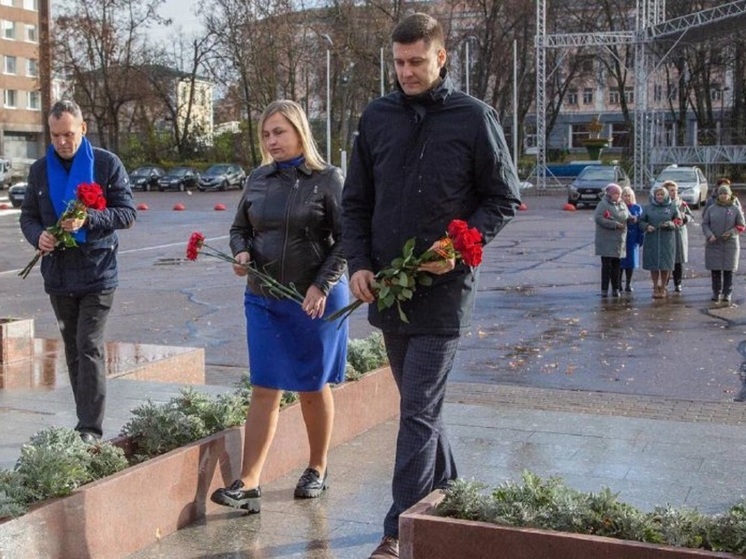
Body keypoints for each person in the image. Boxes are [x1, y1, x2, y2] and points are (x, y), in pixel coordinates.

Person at [341, 13, 521, 559]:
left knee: (417, 408)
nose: (407, 72)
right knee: (422, 407)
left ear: (442, 57)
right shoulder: (376, 118)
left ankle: (399, 530)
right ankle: (453, 492)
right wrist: (359, 265)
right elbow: (356, 204)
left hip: (444, 293)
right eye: (399, 63)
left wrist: (460, 247)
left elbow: (503, 198)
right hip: (388, 292)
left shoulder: (473, 117)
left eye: (417, 61)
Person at [210, 100, 348, 513]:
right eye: (266, 134)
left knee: (310, 385)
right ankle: (248, 482)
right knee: (264, 386)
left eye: (280, 132)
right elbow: (239, 228)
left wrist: (321, 285)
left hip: (313, 300)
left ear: (300, 132)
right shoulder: (258, 177)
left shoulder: (327, 179)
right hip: (263, 297)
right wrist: (241, 254)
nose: (272, 141)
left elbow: (347, 239)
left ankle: (317, 468)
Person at [19, 99, 136, 443]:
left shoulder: (105, 164)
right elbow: (28, 216)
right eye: (55, 136)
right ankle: (83, 418)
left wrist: (90, 219)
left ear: (83, 129)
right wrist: (37, 236)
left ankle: (90, 428)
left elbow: (126, 213)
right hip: (58, 277)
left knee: (88, 345)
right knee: (72, 349)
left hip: (98, 273)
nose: (62, 142)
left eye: (68, 134)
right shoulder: (40, 170)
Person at [702, 182, 745, 304]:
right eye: (721, 193)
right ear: (717, 195)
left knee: (728, 270)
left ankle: (727, 293)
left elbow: (741, 225)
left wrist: (731, 233)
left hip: (730, 244)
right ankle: (716, 292)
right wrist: (709, 235)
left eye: (725, 193)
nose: (723, 196)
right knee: (715, 270)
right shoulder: (711, 209)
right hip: (714, 244)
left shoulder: (735, 209)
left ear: (729, 195)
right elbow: (705, 224)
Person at [639, 184, 680, 299]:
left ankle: (663, 287)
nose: (660, 196)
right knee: (654, 264)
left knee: (665, 264)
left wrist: (670, 224)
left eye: (662, 194)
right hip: (652, 239)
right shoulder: (648, 207)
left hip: (667, 239)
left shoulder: (672, 206)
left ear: (666, 195)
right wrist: (647, 227)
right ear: (654, 196)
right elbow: (640, 221)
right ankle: (655, 286)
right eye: (658, 194)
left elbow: (678, 221)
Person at [594, 183, 628, 298]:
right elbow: (598, 218)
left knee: (617, 265)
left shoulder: (622, 204)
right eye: (615, 193)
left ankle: (616, 288)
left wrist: (632, 218)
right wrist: (614, 224)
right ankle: (604, 289)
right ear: (609, 194)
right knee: (607, 265)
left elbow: (627, 215)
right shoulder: (603, 204)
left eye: (619, 193)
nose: (617, 195)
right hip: (606, 239)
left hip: (619, 240)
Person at [664, 180, 695, 293]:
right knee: (666, 260)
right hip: (667, 233)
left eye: (676, 190)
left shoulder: (681, 204)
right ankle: (664, 283)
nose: (674, 192)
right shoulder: (662, 203)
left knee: (678, 260)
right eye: (671, 190)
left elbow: (691, 216)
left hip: (679, 234)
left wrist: (684, 217)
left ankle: (678, 283)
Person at [619, 186, 643, 292]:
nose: (627, 198)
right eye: (625, 195)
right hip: (621, 239)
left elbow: (641, 223)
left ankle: (628, 283)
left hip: (633, 238)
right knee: (620, 262)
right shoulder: (618, 207)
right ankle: (618, 283)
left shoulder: (637, 208)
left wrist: (640, 239)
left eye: (629, 196)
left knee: (631, 262)